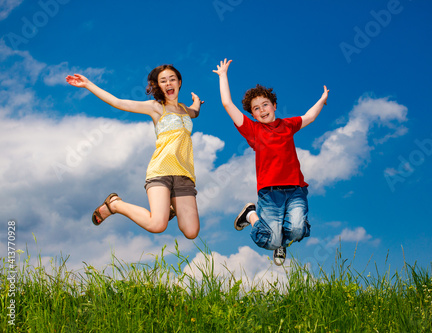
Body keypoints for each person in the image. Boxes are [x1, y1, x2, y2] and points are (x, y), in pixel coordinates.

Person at [213, 59, 329, 265]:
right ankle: (250, 215)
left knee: (297, 230)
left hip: (295, 189)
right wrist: (223, 76)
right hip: (269, 193)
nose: (262, 110)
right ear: (252, 114)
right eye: (256, 109)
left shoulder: (287, 125)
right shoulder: (253, 130)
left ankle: (282, 242)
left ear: (274, 105)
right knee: (270, 241)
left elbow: (309, 117)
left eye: (265, 104)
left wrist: (322, 99)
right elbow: (227, 104)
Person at [66, 64, 202, 239]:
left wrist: (197, 102)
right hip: (161, 171)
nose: (168, 83)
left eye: (172, 79)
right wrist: (88, 84)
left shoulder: (185, 110)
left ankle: (169, 206)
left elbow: (195, 112)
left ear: (179, 82)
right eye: (163, 81)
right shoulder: (155, 107)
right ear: (158, 86)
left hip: (185, 174)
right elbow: (118, 103)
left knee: (191, 232)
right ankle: (115, 204)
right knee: (157, 224)